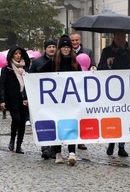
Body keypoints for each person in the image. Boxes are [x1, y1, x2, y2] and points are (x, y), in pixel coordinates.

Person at [97, 31, 130, 157]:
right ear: (114, 37)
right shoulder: (107, 51)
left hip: (127, 90)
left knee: (124, 118)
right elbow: (100, 68)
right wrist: (108, 64)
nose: (120, 39)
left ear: (126, 37)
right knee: (112, 117)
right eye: (118, 37)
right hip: (111, 91)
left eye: (123, 37)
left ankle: (121, 146)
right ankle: (111, 141)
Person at [52, 35, 81, 165]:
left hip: (71, 99)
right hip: (56, 100)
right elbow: (39, 76)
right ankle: (58, 153)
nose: (66, 49)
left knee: (71, 125)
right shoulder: (53, 62)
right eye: (63, 47)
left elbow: (81, 79)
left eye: (68, 47)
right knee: (58, 125)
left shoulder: (75, 63)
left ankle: (72, 152)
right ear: (60, 49)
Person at [29, 39, 57, 160]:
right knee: (44, 122)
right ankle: (45, 147)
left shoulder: (59, 60)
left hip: (56, 98)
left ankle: (54, 148)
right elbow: (30, 79)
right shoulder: (37, 62)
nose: (51, 49)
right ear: (45, 49)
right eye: (49, 47)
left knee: (56, 121)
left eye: (53, 47)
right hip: (41, 98)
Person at [0, 45, 30, 154]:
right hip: (12, 98)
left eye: (19, 54)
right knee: (16, 119)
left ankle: (19, 145)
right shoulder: (6, 69)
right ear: (12, 55)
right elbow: (2, 85)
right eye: (15, 54)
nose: (17, 56)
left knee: (22, 122)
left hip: (25, 98)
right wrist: (2, 100)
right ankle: (12, 138)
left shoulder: (26, 67)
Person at [70, 32, 96, 150]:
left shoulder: (88, 51)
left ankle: (81, 140)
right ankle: (72, 138)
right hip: (71, 87)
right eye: (73, 40)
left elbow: (93, 63)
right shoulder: (67, 51)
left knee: (82, 113)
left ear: (80, 40)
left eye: (76, 40)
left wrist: (93, 67)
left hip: (84, 86)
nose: (75, 42)